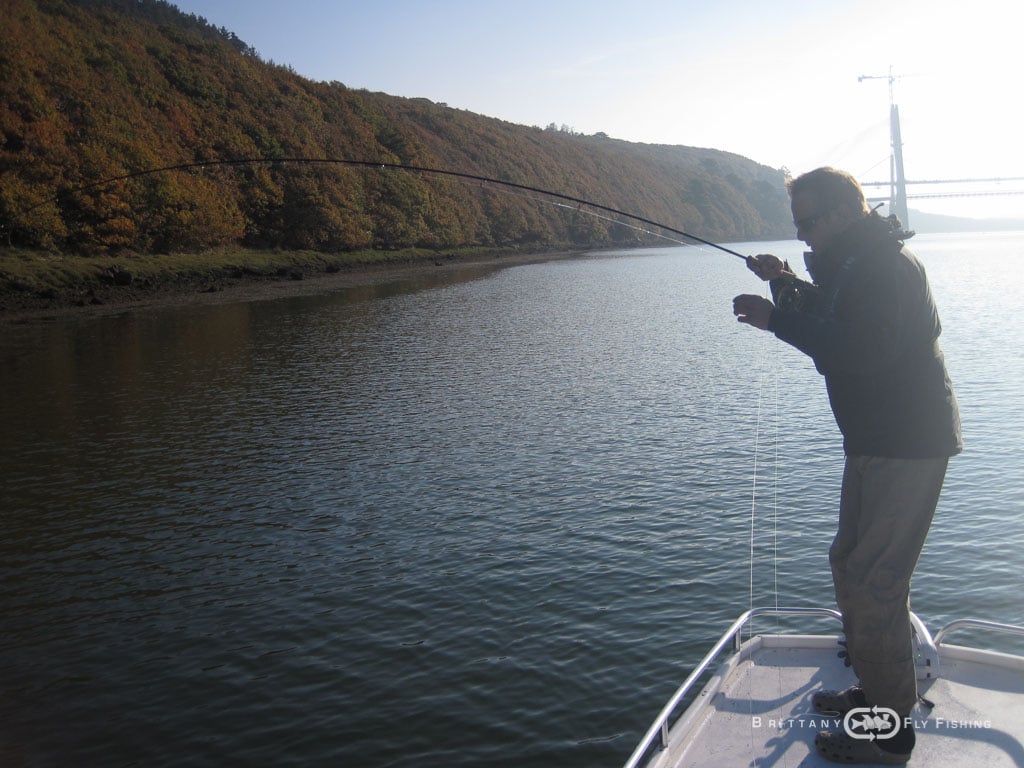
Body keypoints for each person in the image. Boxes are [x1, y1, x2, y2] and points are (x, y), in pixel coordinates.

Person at [732, 167, 962, 765]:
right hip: (874, 441)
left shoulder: (886, 268)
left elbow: (858, 347)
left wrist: (775, 316)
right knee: (852, 566)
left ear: (840, 214)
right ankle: (879, 688)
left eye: (808, 223)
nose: (803, 235)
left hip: (905, 444)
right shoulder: (858, 264)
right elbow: (833, 313)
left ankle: (889, 736)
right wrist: (783, 281)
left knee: (875, 582)